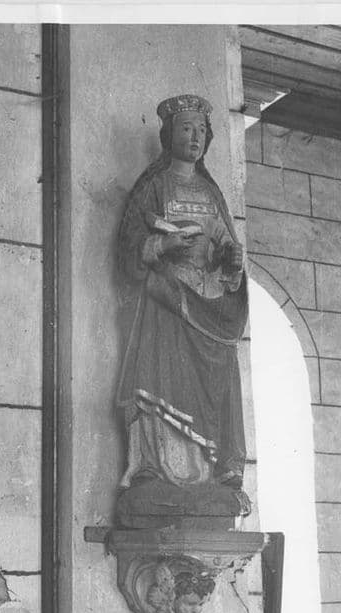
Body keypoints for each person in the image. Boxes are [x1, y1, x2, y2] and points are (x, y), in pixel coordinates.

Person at [116, 94, 249, 514]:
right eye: (186, 128)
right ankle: (155, 468)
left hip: (207, 302)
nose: (194, 137)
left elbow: (226, 249)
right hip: (167, 299)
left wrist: (233, 261)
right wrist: (163, 245)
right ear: (168, 135)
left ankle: (214, 471)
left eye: (201, 130)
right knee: (160, 374)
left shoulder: (211, 193)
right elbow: (128, 249)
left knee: (217, 373)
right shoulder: (154, 187)